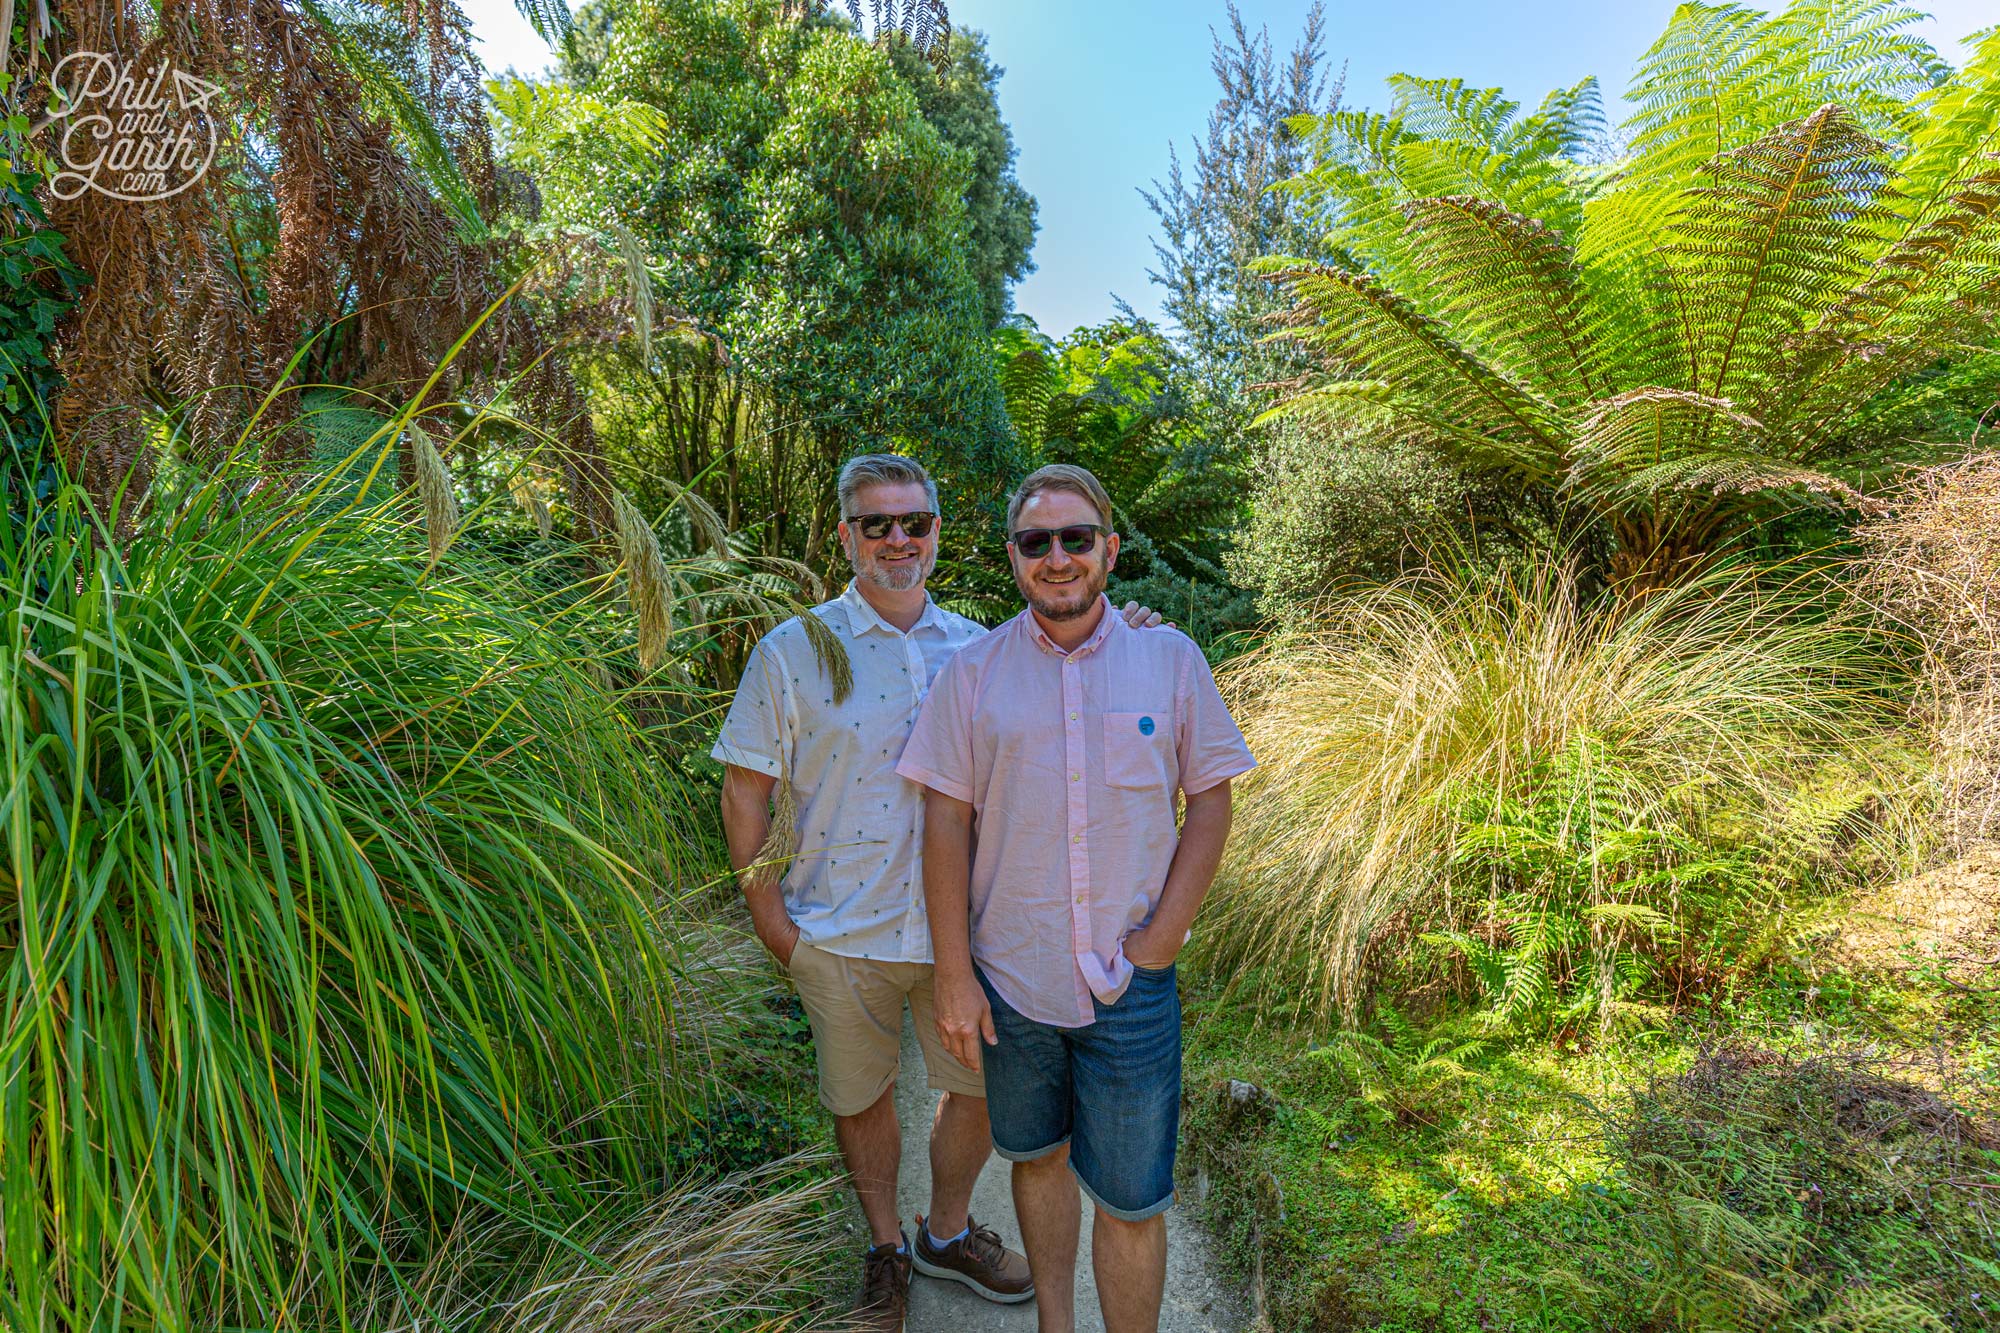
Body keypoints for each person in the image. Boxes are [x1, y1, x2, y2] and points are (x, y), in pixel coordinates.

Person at [712, 454, 1161, 1331]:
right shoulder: (794, 650)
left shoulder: (985, 647)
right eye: (874, 523)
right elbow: (744, 791)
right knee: (863, 1095)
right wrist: (772, 921)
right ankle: (886, 1246)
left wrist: (1132, 625)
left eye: (912, 521)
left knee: (985, 1092)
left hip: (969, 933)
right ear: (845, 535)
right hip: (841, 928)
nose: (895, 539)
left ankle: (944, 1231)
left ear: (938, 534)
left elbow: (1083, 654)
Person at [895, 463, 1256, 1333]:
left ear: (1109, 549)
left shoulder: (1168, 657)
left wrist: (1165, 935)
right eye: (1035, 541)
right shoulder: (973, 675)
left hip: (1131, 985)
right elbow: (945, 824)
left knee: (1134, 1202)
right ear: (1014, 557)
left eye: (1075, 538)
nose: (1057, 557)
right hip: (1013, 980)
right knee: (1036, 1157)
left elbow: (1210, 794)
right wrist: (954, 974)